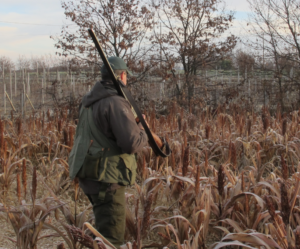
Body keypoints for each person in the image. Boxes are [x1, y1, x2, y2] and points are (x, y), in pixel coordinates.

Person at [68, 57, 148, 247]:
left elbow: (104, 132)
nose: (127, 78)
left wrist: (131, 124)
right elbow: (131, 143)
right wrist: (143, 130)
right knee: (110, 240)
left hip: (89, 173)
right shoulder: (116, 102)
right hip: (107, 179)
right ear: (121, 76)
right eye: (126, 75)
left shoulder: (88, 101)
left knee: (102, 228)